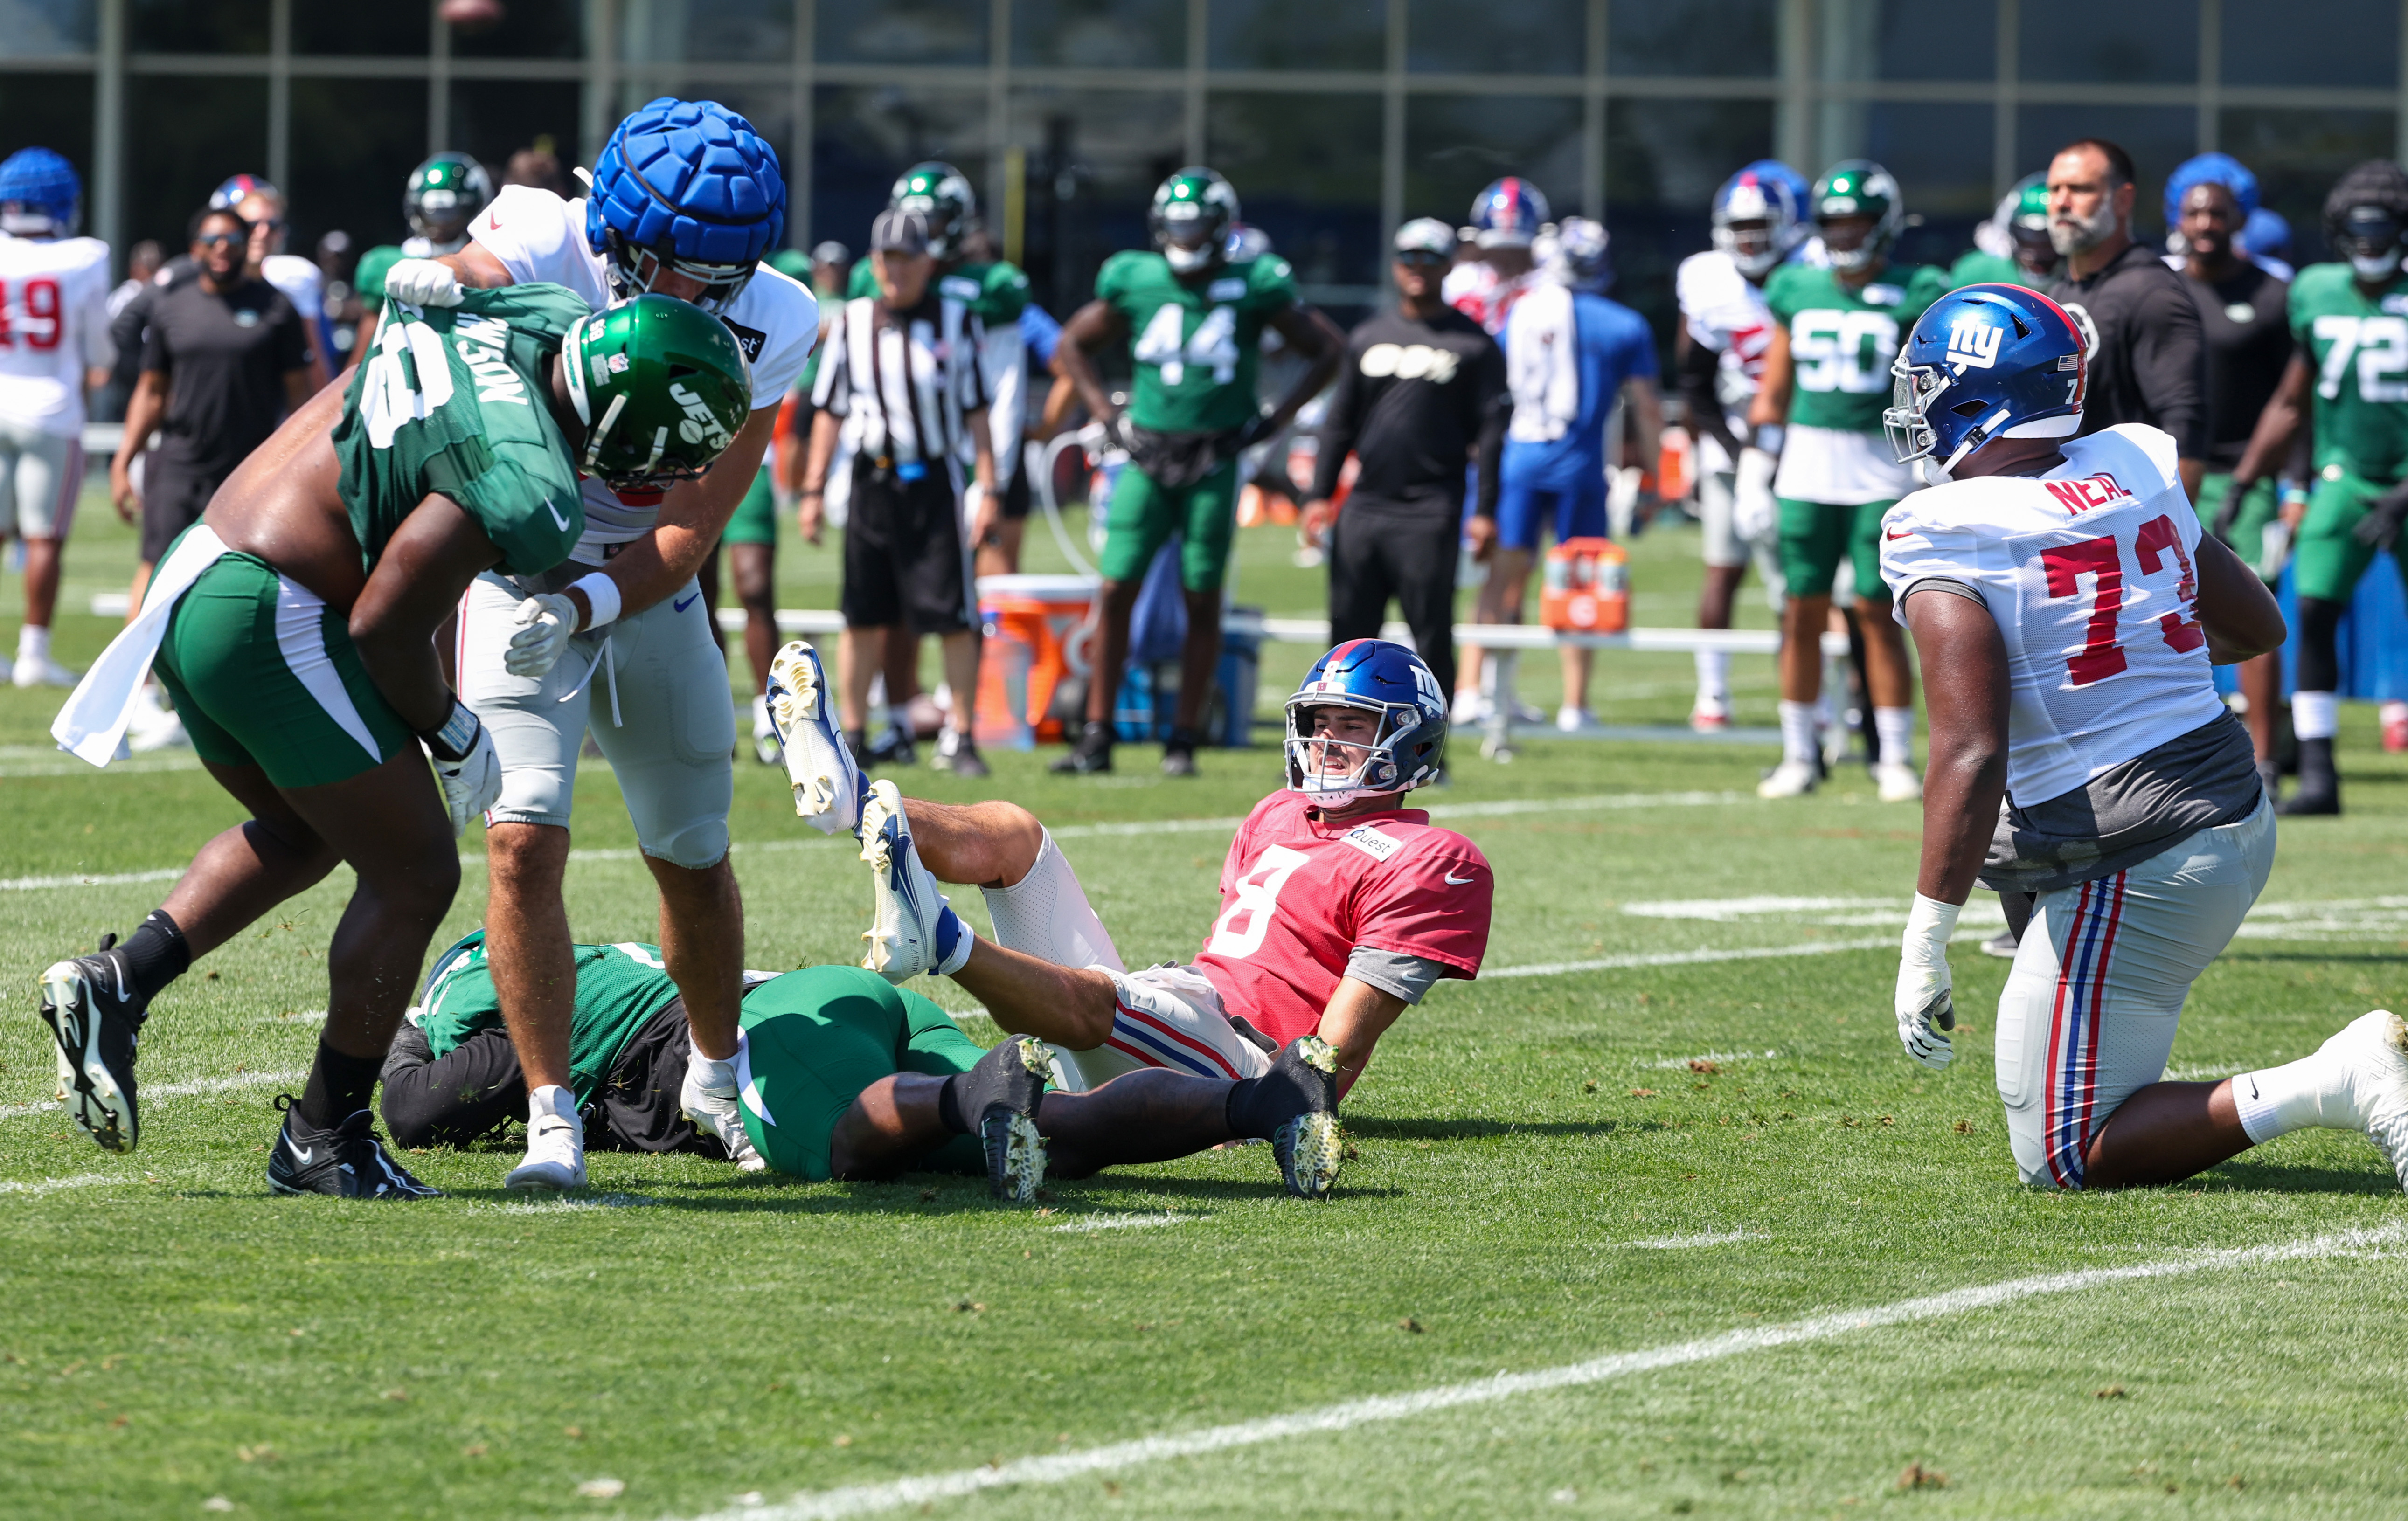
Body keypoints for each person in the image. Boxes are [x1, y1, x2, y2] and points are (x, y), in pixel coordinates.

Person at [40, 288, 750, 1196]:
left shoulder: (527, 316)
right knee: (417, 869)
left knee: (310, 832)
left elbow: (450, 289)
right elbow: (384, 625)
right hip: (275, 608)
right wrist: (451, 729)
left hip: (203, 572)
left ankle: (118, 981)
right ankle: (322, 1137)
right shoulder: (527, 471)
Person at [1883, 281, 2408, 1196]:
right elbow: (2255, 626)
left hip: (2145, 851)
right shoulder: (2131, 463)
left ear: (1976, 395)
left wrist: (1924, 935)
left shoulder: (1946, 531)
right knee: (2023, 847)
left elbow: (1970, 751)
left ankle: (2339, 1077)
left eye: (1927, 383)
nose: (1915, 402)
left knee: (2061, 1150)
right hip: (2229, 808)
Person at [384, 96, 820, 1190]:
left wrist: (584, 609)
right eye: (663, 264)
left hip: (639, 592)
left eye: (711, 275)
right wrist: (434, 283)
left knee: (691, 853)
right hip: (515, 568)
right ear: (612, 227)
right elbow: (471, 274)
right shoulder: (544, 234)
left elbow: (686, 531)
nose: (684, 295)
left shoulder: (780, 317)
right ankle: (548, 1115)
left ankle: (716, 1076)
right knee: (521, 842)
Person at [763, 634, 1491, 1198]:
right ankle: (850, 799)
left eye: (1353, 726)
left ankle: (945, 941)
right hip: (1185, 1004)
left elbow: (1332, 1057)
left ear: (1410, 741)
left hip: (1241, 1065)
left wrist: (1268, 1100)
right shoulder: (1277, 811)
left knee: (1101, 996)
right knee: (1015, 835)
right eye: (1318, 722)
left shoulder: (1431, 856)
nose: (1327, 741)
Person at [380, 930, 1347, 1202]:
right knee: (1053, 1132)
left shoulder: (474, 981)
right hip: (829, 1000)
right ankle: (1266, 1096)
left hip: (757, 1030)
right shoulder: (577, 956)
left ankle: (973, 1089)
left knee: (848, 1147)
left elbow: (427, 1105)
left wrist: (400, 1037)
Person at [1049, 167, 1343, 777]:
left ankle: (1182, 737)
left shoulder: (1255, 280)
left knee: (1201, 595)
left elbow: (1329, 349)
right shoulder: (1134, 276)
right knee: (1113, 588)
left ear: (1219, 228)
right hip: (1147, 452)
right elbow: (1071, 344)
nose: (1184, 237)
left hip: (1213, 456)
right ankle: (1097, 734)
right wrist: (1106, 414)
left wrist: (1272, 421)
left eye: (1195, 225)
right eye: (1176, 226)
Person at [1748, 161, 1945, 802]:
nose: (1842, 233)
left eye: (1855, 220)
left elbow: (1930, 381)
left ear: (1882, 223)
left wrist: (1930, 461)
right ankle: (1798, 753)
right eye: (1832, 221)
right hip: (1806, 463)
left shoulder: (1916, 288)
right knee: (1800, 608)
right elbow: (1774, 384)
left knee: (1874, 608)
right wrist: (1757, 464)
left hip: (1880, 465)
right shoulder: (1795, 285)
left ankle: (1891, 754)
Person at [2221, 161, 2408, 816]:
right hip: (2343, 477)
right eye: (2356, 229)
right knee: (2310, 613)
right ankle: (2320, 772)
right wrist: (2245, 479)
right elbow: (2291, 397)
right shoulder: (2317, 290)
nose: (2368, 240)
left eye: (2381, 227)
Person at [840, 164, 1035, 771]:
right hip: (880, 471)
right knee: (880, 610)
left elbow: (1003, 384)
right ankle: (896, 718)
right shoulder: (866, 298)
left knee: (957, 603)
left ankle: (964, 726)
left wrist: (991, 478)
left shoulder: (989, 291)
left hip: (953, 469)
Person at [797, 208, 998, 781]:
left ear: (928, 262)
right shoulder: (854, 322)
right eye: (886, 259)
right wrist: (812, 491)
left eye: (906, 258)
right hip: (872, 481)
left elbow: (978, 411)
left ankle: (961, 733)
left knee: (954, 615)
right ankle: (853, 735)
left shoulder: (957, 320)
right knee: (861, 612)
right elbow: (830, 413)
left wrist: (990, 488)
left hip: (933, 480)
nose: (895, 270)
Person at [1462, 217, 1661, 737]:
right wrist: (1657, 475)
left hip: (1520, 458)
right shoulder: (1622, 324)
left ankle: (1473, 690)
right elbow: (1646, 406)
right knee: (1582, 582)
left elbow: (1492, 385)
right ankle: (1575, 702)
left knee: (1503, 576)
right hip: (1579, 464)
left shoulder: (1523, 312)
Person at [1302, 216, 1506, 704]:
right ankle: (1338, 747)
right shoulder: (1367, 337)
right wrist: (1318, 495)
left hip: (1431, 508)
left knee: (1431, 633)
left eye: (1431, 259)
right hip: (1366, 506)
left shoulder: (1473, 344)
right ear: (1395, 266)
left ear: (1449, 266)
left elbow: (1493, 434)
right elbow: (1339, 424)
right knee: (1348, 641)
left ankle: (1432, 754)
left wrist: (1485, 511)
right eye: (1410, 259)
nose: (1419, 269)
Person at [110, 207, 312, 627]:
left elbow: (300, 397)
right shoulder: (171, 307)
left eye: (233, 242)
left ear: (247, 248)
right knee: (157, 570)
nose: (223, 250)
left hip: (249, 468)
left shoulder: (276, 308)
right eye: (212, 241)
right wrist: (123, 458)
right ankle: (144, 686)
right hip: (179, 465)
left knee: (240, 579)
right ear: (194, 249)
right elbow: (152, 391)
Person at [2169, 157, 2293, 802]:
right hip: (2166, 473)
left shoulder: (2274, 293)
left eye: (2216, 212)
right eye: (2193, 212)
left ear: (2238, 218)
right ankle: (2187, 756)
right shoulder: (2158, 288)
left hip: (2246, 475)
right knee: (2169, 612)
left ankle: (2266, 760)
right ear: (2175, 218)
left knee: (2252, 606)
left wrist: (2290, 485)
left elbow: (2296, 400)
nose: (2204, 224)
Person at [1677, 160, 1810, 730]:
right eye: (1742, 226)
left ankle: (1811, 698)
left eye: (1762, 225)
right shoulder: (1708, 281)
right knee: (1722, 569)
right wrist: (1738, 452)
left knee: (1803, 580)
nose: (1751, 239)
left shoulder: (1811, 276)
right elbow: (1693, 383)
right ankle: (1712, 695)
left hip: (1805, 446)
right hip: (1731, 442)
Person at [0, 148, 113, 689]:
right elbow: (98, 346)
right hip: (51, 408)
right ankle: (33, 652)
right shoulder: (84, 256)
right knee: (44, 537)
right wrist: (100, 365)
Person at [2043, 139, 2209, 500]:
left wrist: (2171, 533)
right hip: (2062, 516)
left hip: (2128, 520)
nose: (2061, 202)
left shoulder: (2152, 293)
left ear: (2122, 199)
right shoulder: (2056, 293)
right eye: (2054, 189)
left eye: (2081, 189)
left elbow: (2185, 426)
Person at [725, 247, 821, 765]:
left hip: (749, 454)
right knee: (689, 592)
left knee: (755, 586)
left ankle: (771, 713)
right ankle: (710, 712)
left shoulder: (778, 291)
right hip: (682, 450)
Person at [351, 152, 495, 359]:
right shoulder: (389, 264)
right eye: (432, 214)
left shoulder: (491, 262)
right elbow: (362, 359)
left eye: (451, 215)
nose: (441, 226)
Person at [213, 177, 332, 394]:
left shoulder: (290, 286)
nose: (263, 232)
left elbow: (313, 372)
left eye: (273, 225)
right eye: (251, 224)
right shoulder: (184, 287)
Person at [1444, 177, 1550, 336]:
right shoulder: (1462, 283)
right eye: (1497, 253)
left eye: (1517, 252)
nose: (1508, 261)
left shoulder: (1548, 286)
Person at [1948, 174, 2057, 290]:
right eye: (2027, 239)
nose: (2037, 253)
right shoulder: (1978, 272)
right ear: (2010, 233)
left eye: (2047, 240)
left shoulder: (2074, 274)